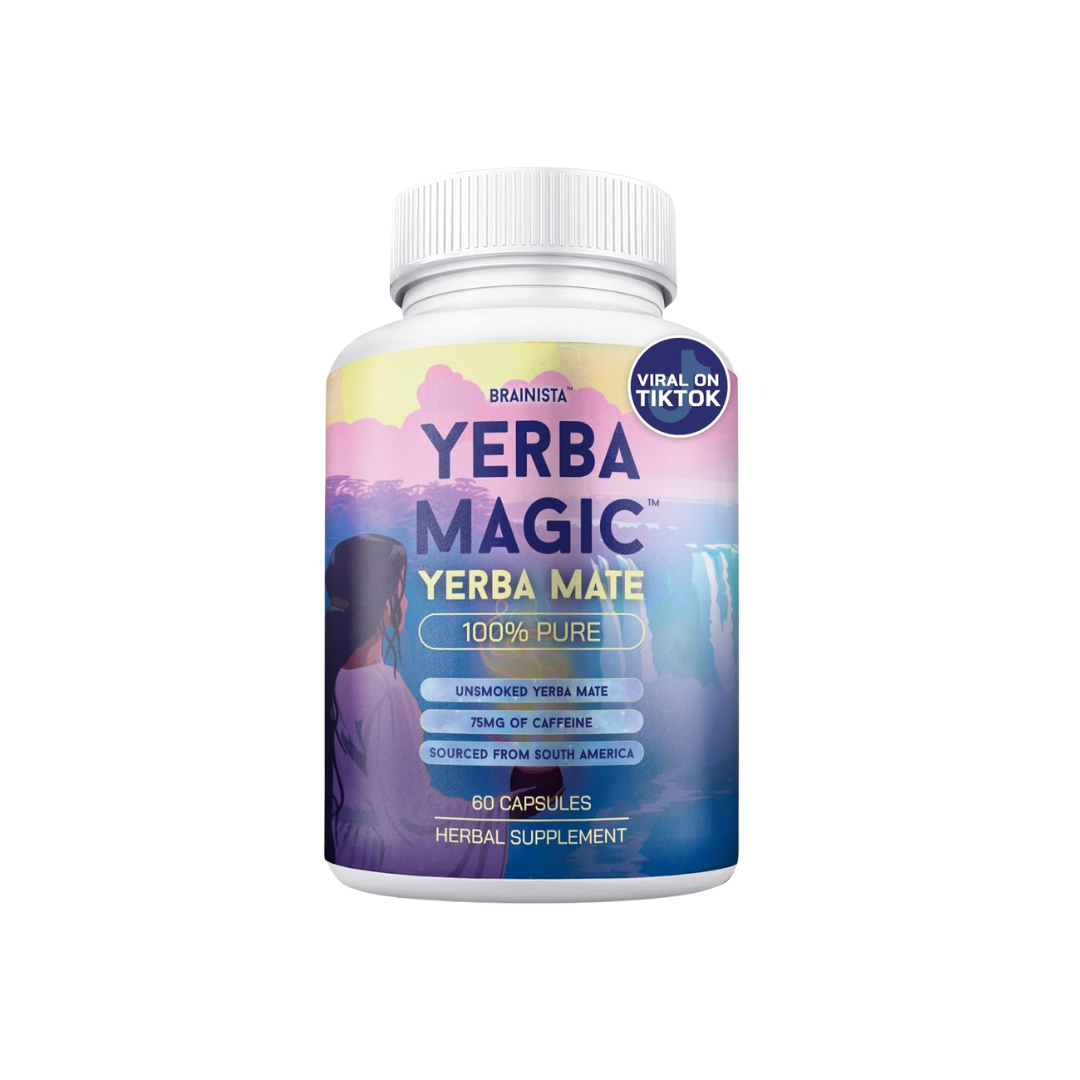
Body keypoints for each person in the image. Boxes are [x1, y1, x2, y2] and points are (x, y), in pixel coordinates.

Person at [325, 533, 561, 876]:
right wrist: (506, 809)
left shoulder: (339, 673)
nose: (405, 602)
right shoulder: (384, 688)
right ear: (385, 602)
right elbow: (414, 813)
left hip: (349, 842)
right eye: (401, 591)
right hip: (379, 854)